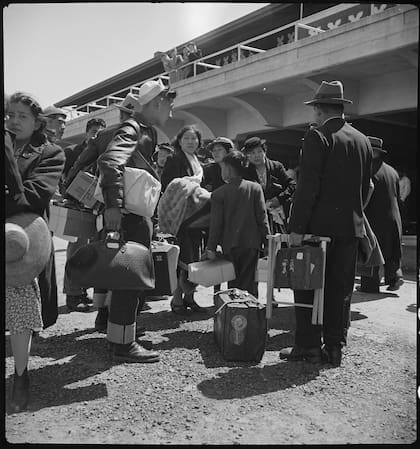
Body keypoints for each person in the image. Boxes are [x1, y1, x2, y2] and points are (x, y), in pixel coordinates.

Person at [281, 80, 373, 367]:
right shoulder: (362, 140)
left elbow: (307, 188)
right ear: (340, 107)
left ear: (319, 110)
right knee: (340, 288)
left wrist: (295, 228)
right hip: (350, 228)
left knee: (306, 284)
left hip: (317, 229)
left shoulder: (317, 137)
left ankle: (307, 346)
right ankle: (335, 348)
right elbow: (367, 186)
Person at [96, 79, 176, 363]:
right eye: (169, 104)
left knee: (129, 279)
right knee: (129, 279)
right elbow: (110, 162)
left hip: (133, 214)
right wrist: (114, 205)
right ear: (156, 103)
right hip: (129, 216)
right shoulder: (134, 128)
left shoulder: (143, 130)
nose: (171, 110)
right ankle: (122, 344)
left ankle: (123, 336)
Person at [5, 92, 65, 412]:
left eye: (22, 116)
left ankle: (20, 375)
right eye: (10, 114)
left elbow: (32, 197)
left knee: (20, 315)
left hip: (22, 243)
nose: (13, 120)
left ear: (37, 122)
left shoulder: (50, 153)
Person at [63, 94, 136, 331]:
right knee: (117, 258)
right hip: (123, 208)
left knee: (105, 254)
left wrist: (71, 191)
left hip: (100, 205)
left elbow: (77, 169)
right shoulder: (138, 136)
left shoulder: (104, 136)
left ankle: (103, 313)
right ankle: (107, 315)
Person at [203, 151, 270, 297]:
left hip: (229, 245)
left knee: (233, 284)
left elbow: (216, 225)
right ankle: (252, 313)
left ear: (227, 169)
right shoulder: (255, 188)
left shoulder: (218, 193)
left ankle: (235, 314)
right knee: (250, 282)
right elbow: (262, 219)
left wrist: (211, 248)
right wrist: (268, 243)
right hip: (252, 244)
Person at [160, 125, 208, 315]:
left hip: (197, 215)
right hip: (181, 216)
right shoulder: (174, 158)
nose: (190, 142)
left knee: (195, 258)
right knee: (184, 257)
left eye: (194, 138)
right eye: (186, 138)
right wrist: (188, 184)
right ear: (179, 141)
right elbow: (168, 185)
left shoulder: (198, 161)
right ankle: (177, 299)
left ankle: (190, 297)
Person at [61, 117, 106, 313]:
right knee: (76, 249)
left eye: (100, 132)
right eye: (94, 131)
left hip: (97, 207)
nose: (96, 135)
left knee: (92, 252)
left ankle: (81, 292)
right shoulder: (72, 152)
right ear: (87, 132)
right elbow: (62, 177)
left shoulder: (103, 152)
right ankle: (72, 294)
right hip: (77, 207)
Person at [360, 137, 404, 292]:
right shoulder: (392, 171)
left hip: (375, 217)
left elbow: (364, 194)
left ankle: (369, 285)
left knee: (372, 250)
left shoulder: (367, 169)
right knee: (393, 249)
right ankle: (395, 277)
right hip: (394, 217)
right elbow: (398, 197)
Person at [242, 136, 296, 233]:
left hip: (279, 213)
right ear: (247, 156)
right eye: (252, 153)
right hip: (257, 216)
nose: (256, 155)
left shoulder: (276, 167)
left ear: (265, 152)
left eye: (259, 151)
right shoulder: (246, 172)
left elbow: (292, 185)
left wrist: (279, 199)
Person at [397, 168, 411, 234]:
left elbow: (407, 190)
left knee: (403, 215)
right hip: (397, 200)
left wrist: (402, 199)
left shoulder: (406, 179)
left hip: (403, 201)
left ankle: (405, 229)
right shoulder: (397, 179)